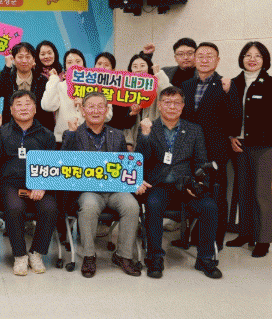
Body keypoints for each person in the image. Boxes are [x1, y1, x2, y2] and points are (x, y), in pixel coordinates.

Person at [135, 86, 222, 279]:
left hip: (186, 185)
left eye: (176, 103)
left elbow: (201, 162)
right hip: (159, 185)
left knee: (209, 207)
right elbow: (141, 160)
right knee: (153, 205)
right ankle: (155, 258)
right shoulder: (149, 128)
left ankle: (205, 258)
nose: (172, 107)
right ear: (159, 105)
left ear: (183, 106)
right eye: (167, 102)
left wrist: (199, 185)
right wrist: (145, 135)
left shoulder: (194, 130)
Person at [62, 91, 141, 278]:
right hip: (88, 190)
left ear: (106, 110)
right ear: (83, 110)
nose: (95, 111)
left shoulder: (118, 135)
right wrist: (71, 134)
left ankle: (123, 256)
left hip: (114, 190)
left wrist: (136, 180)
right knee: (89, 206)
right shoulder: (73, 133)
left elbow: (126, 166)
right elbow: (63, 163)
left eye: (100, 107)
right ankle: (89, 256)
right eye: (91, 106)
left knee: (132, 205)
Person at [0, 90, 58, 276]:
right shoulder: (2, 131)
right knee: (15, 207)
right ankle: (20, 255)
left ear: (35, 109)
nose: (23, 108)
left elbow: (53, 166)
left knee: (50, 207)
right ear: (10, 109)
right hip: (10, 184)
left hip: (39, 183)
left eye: (27, 104)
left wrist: (43, 184)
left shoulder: (46, 135)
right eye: (18, 104)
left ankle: (36, 253)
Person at [180, 42, 241, 248]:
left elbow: (235, 119)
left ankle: (215, 241)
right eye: (201, 56)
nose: (204, 60)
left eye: (210, 56)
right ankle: (190, 237)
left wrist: (228, 93)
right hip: (189, 150)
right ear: (194, 59)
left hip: (216, 150)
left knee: (217, 195)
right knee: (191, 191)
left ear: (217, 60)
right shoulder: (186, 85)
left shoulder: (225, 85)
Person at [227, 42, 272, 257]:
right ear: (242, 58)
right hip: (239, 145)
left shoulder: (271, 83)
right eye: (248, 55)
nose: (252, 59)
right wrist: (231, 136)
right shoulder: (234, 82)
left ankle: (263, 239)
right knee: (243, 192)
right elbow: (228, 113)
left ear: (264, 60)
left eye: (257, 55)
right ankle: (246, 233)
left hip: (263, 146)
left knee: (261, 193)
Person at [41, 48, 112, 145]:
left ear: (84, 65)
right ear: (65, 68)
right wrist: (53, 79)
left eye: (78, 61)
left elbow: (108, 115)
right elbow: (47, 106)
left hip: (90, 140)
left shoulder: (97, 87)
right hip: (63, 140)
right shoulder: (59, 86)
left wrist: (87, 105)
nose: (74, 65)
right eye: (69, 62)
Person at [0, 43, 51, 130]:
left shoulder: (42, 80)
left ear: (34, 60)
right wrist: (7, 67)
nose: (24, 61)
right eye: (20, 57)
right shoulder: (8, 77)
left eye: (28, 57)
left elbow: (46, 110)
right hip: (10, 129)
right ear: (14, 59)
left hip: (36, 129)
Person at [123, 53, 170, 150]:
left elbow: (170, 95)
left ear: (149, 68)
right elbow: (124, 121)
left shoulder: (157, 86)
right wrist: (128, 142)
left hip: (156, 140)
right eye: (135, 66)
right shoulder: (126, 91)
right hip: (134, 143)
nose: (138, 69)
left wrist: (158, 74)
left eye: (142, 66)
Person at [93, 52, 137, 135]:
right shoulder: (87, 88)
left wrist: (133, 113)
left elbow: (127, 123)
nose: (102, 67)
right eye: (99, 64)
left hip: (113, 135)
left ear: (113, 70)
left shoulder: (120, 91)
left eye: (106, 65)